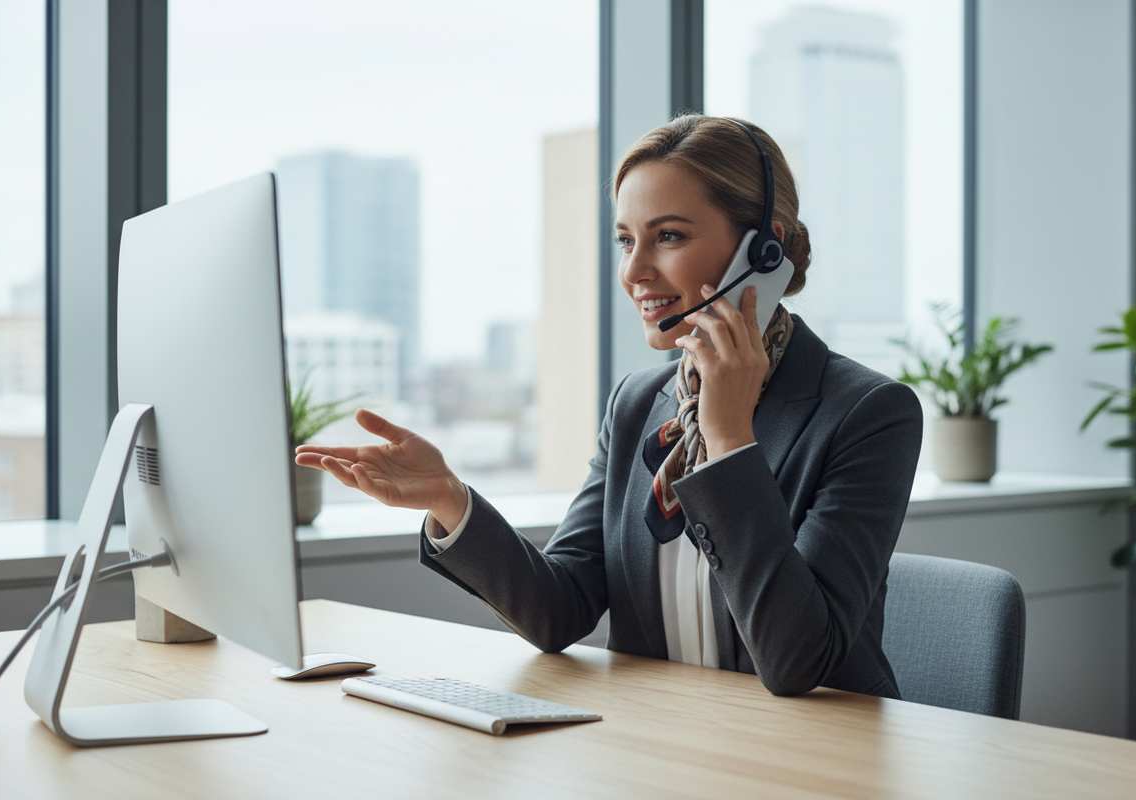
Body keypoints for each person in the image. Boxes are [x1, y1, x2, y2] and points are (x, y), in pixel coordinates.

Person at [295, 114, 922, 698]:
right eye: (626, 240)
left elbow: (798, 662)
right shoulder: (638, 404)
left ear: (764, 251)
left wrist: (729, 437)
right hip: (660, 751)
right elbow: (558, 609)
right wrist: (449, 500)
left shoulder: (867, 413)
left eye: (668, 236)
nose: (635, 271)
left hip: (817, 763)